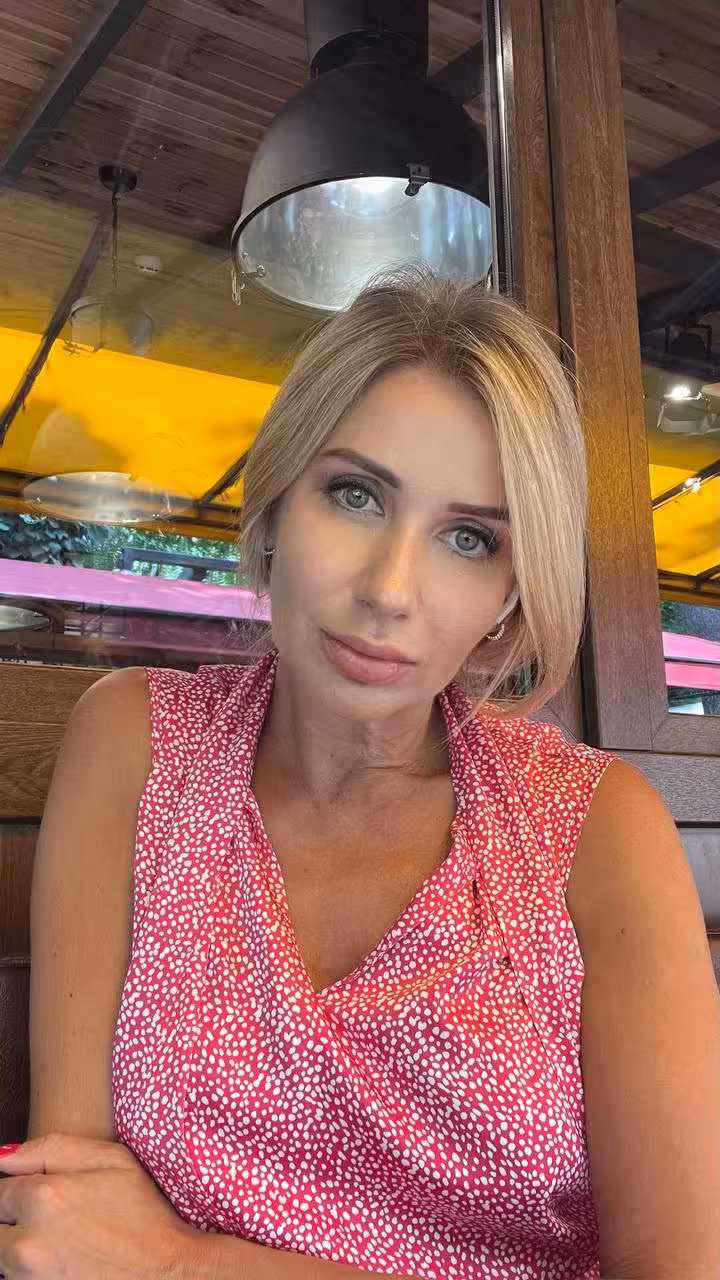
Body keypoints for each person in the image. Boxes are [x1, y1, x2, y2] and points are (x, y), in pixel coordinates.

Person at [20, 270, 720, 1280]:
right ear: (276, 505)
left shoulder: (595, 826)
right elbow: (64, 1220)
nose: (391, 589)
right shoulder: (135, 742)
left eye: (469, 538)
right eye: (355, 494)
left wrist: (186, 1264)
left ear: (510, 592)